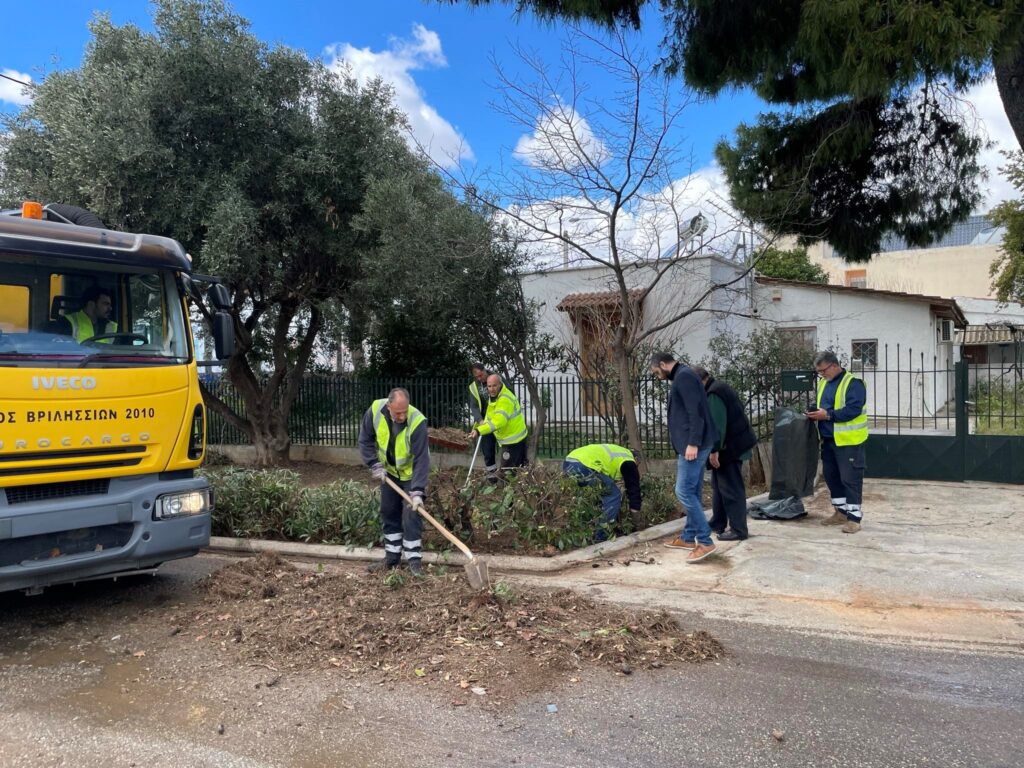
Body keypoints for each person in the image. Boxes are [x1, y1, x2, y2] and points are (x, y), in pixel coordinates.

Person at [651, 351, 719, 563]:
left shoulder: (684, 377)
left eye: (656, 372)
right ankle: (689, 537)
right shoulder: (684, 375)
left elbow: (695, 412)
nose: (657, 376)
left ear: (663, 364)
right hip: (698, 443)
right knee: (693, 491)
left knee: (683, 491)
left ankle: (705, 541)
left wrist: (693, 442)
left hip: (694, 445)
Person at [358, 387, 430, 575]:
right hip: (388, 473)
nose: (402, 416)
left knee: (411, 515)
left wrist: (417, 491)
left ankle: (414, 563)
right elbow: (365, 439)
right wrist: (374, 464)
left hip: (410, 477)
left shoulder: (417, 421)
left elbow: (422, 458)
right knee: (388, 511)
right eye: (398, 413)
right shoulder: (375, 410)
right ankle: (391, 560)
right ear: (389, 406)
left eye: (405, 411)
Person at [691, 366, 758, 542]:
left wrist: (714, 451)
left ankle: (738, 529)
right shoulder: (718, 388)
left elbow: (717, 427)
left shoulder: (714, 394)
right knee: (719, 488)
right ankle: (717, 522)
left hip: (730, 449)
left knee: (731, 489)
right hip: (732, 446)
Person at [806, 350, 868, 534]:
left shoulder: (853, 383)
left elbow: (853, 410)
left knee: (850, 479)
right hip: (828, 439)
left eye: (823, 370)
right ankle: (840, 512)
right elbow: (824, 407)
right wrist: (814, 413)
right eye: (819, 372)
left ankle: (854, 518)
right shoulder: (825, 384)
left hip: (849, 441)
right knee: (832, 477)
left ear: (834, 365)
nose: (821, 374)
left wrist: (828, 415)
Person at [563, 443, 643, 541]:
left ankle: (582, 530)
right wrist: (636, 520)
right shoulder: (629, 461)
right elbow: (633, 490)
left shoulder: (618, 453)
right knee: (613, 495)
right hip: (584, 466)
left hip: (569, 462)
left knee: (592, 495)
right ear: (636, 459)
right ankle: (601, 536)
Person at [470, 373, 529, 470]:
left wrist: (479, 431)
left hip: (514, 442)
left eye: (494, 385)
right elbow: (489, 417)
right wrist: (480, 427)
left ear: (500, 384)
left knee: (508, 474)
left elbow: (498, 422)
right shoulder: (494, 397)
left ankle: (500, 483)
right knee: (516, 472)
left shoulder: (504, 399)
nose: (492, 389)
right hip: (512, 440)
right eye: (489, 386)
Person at [468, 363, 499, 477]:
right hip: (485, 423)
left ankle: (510, 478)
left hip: (499, 420)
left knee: (507, 450)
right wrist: (480, 421)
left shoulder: (497, 379)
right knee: (487, 450)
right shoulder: (474, 387)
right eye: (477, 377)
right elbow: (474, 406)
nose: (480, 378)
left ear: (485, 370)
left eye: (481, 375)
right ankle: (492, 478)